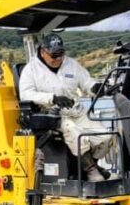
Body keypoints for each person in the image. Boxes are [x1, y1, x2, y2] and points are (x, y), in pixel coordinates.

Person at [19, 32, 116, 182]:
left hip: (75, 111)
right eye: (54, 55)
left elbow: (86, 82)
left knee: (106, 136)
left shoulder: (71, 64)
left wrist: (97, 87)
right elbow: (26, 94)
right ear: (43, 52)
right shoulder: (31, 70)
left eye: (61, 54)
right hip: (52, 115)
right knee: (73, 131)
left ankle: (88, 164)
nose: (58, 58)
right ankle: (91, 170)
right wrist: (52, 98)